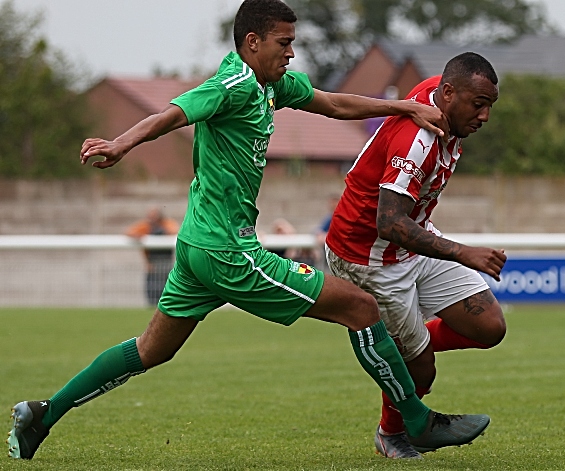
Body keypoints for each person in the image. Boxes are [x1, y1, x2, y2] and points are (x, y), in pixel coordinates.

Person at [7, 0, 491, 461]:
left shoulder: (271, 85)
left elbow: (334, 104)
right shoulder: (233, 83)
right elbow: (173, 113)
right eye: (284, 43)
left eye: (293, 42)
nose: (292, 52)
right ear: (252, 41)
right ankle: (415, 419)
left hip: (197, 246)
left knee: (150, 349)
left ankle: (42, 415)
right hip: (228, 253)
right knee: (360, 307)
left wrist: (403, 108)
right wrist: (121, 143)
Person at [324, 52, 507, 459]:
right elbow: (388, 222)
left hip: (411, 239)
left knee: (490, 326)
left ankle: (396, 342)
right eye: (478, 105)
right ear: (447, 94)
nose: (485, 116)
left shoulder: (444, 100)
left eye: (490, 105)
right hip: (368, 254)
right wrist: (463, 253)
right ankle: (392, 434)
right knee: (422, 368)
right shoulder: (419, 138)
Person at [125, 207, 180, 305]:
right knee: (152, 291)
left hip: (165, 263)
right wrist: (139, 236)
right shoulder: (146, 226)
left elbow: (175, 231)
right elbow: (130, 232)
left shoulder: (167, 224)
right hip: (152, 264)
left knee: (166, 290)